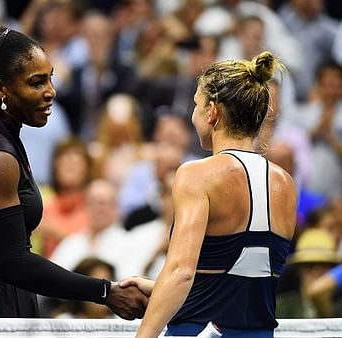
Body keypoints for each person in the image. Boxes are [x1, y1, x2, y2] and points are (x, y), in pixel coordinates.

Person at [0, 20, 147, 319]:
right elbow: (13, 262)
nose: (51, 92)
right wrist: (105, 292)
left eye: (51, 78)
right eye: (37, 82)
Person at [121, 51, 298, 337]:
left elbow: (182, 271)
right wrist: (159, 288)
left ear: (212, 112)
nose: (193, 115)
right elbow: (240, 279)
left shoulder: (196, 175)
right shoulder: (285, 184)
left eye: (195, 104)